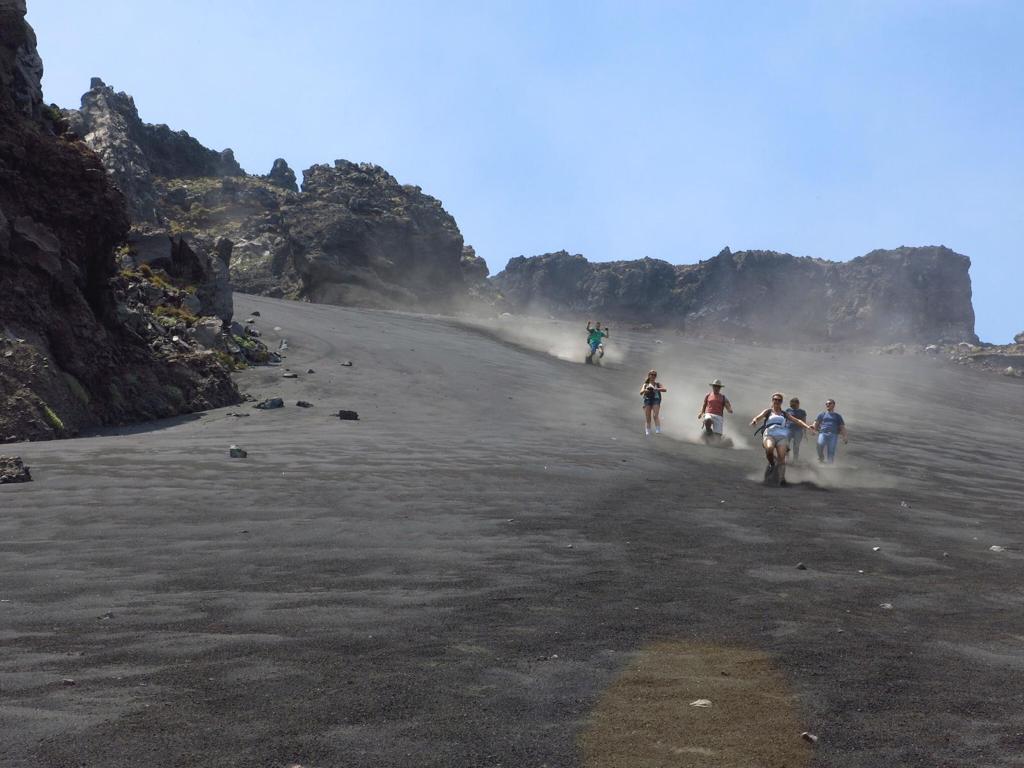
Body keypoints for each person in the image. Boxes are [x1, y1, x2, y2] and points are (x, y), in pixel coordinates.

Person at [750, 393, 815, 486]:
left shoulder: (784, 414)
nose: (777, 401)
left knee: (782, 457)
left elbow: (797, 421)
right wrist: (755, 420)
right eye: (775, 399)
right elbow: (758, 417)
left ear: (781, 402)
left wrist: (808, 427)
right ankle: (772, 465)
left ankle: (781, 478)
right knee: (769, 449)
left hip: (781, 437)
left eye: (779, 400)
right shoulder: (768, 411)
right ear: (772, 400)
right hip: (769, 435)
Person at [814, 398, 848, 464]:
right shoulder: (822, 414)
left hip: (833, 435)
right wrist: (814, 430)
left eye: (829, 403)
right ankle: (821, 458)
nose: (827, 405)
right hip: (823, 433)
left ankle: (830, 465)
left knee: (831, 450)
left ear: (833, 405)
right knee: (819, 445)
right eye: (826, 404)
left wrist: (845, 436)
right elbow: (817, 423)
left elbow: (842, 427)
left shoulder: (838, 416)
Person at [640, 370, 667, 436]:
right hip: (648, 400)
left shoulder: (657, 384)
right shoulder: (645, 384)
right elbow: (641, 392)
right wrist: (645, 390)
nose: (653, 376)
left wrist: (657, 389)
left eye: (654, 375)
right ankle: (648, 432)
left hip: (656, 399)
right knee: (648, 417)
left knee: (655, 415)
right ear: (649, 375)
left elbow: (665, 389)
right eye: (652, 374)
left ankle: (658, 430)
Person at [785, 397, 809, 463]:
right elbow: (785, 420)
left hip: (798, 430)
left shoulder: (802, 412)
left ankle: (795, 459)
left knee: (796, 446)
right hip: (788, 429)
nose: (793, 405)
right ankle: (787, 458)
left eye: (794, 404)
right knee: (786, 444)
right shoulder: (788, 410)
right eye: (792, 404)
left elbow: (804, 422)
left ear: (798, 404)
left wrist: (805, 433)